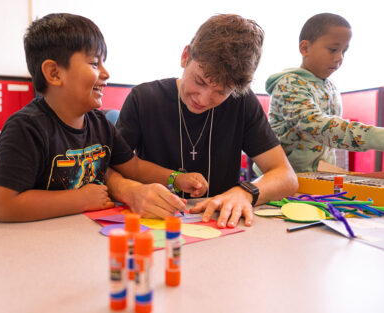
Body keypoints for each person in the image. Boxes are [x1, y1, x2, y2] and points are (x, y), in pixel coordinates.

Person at [0, 13, 208, 222]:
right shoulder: (26, 128)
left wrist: (176, 178)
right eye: (94, 63)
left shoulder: (100, 124)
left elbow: (135, 167)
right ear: (54, 73)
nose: (106, 73)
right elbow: (2, 206)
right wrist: (80, 200)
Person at [116, 14, 298, 229]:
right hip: (154, 224)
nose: (203, 99)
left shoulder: (241, 101)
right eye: (200, 81)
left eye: (221, 92)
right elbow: (107, 167)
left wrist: (246, 192)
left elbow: (286, 176)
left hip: (219, 227)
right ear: (185, 57)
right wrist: (129, 191)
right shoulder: (144, 98)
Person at [266, 13, 384, 173]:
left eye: (344, 51)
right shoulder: (289, 84)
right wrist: (377, 137)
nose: (339, 57)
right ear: (305, 48)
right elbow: (318, 126)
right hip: (284, 177)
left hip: (319, 175)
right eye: (333, 49)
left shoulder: (331, 87)